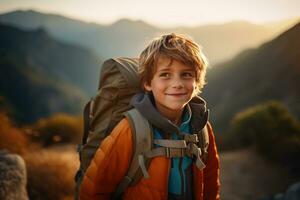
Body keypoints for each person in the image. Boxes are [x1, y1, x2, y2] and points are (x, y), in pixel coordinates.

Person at [79, 33, 220, 200]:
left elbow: (210, 181)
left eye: (186, 74)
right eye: (165, 74)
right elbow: (96, 189)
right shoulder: (130, 130)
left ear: (197, 82)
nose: (177, 83)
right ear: (147, 83)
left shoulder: (201, 127)